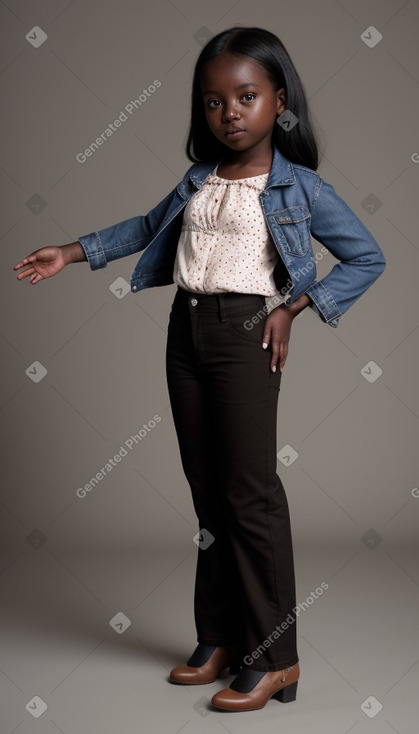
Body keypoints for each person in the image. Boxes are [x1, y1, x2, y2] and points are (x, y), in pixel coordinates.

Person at [14, 26, 386, 712]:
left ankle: (275, 657)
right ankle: (217, 639)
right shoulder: (198, 179)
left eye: (246, 96)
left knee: (249, 494)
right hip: (184, 332)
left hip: (245, 335)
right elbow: (145, 227)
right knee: (208, 495)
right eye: (214, 102)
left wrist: (294, 308)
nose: (230, 112)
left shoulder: (297, 187)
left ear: (279, 100)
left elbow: (367, 256)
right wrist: (69, 252)